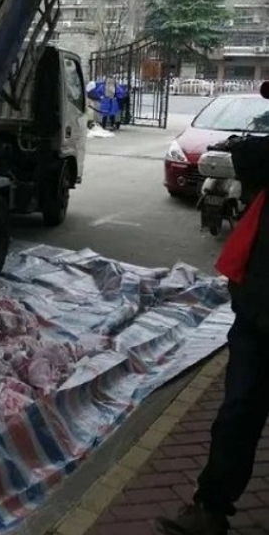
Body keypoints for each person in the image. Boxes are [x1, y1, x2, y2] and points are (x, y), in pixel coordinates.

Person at [156, 91, 269, 535]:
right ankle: (210, 508)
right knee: (237, 413)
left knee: (239, 410)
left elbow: (251, 155)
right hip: (258, 308)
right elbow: (248, 156)